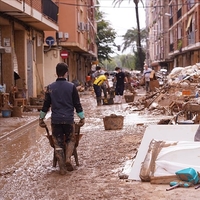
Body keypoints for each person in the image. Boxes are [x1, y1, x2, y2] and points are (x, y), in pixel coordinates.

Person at [39, 62, 85, 175]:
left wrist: (41, 118)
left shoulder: (50, 88)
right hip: (69, 119)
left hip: (56, 120)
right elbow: (77, 104)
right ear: (66, 73)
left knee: (58, 143)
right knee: (71, 139)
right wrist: (82, 117)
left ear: (56, 73)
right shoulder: (71, 87)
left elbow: (46, 105)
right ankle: (68, 158)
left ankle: (62, 168)